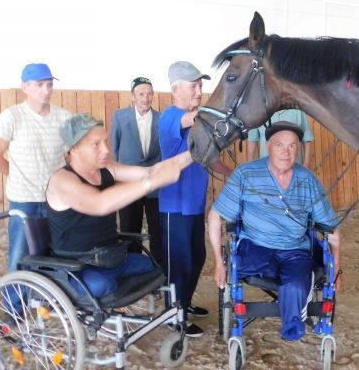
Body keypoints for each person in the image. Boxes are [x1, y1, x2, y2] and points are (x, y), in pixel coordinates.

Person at [208, 121, 342, 341]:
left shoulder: (308, 180)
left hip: (295, 251)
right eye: (279, 145)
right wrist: (219, 262)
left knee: (297, 284)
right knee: (243, 265)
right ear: (267, 146)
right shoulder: (246, 174)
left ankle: (292, 325)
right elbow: (215, 216)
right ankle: (293, 311)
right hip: (256, 249)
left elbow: (332, 228)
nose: (286, 152)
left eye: (292, 147)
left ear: (298, 150)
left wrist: (337, 266)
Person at [46, 113, 192, 297]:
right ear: (74, 149)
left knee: (150, 266)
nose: (106, 150)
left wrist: (194, 153)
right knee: (102, 285)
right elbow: (99, 204)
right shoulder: (62, 180)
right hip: (77, 266)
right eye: (96, 144)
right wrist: (152, 183)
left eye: (105, 142)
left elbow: (150, 171)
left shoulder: (106, 169)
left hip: (110, 258)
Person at [159, 61, 232, 337]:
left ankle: (184, 304)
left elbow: (208, 158)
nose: (199, 91)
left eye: (201, 85)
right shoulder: (170, 117)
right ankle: (172, 314)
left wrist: (232, 174)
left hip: (194, 204)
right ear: (176, 89)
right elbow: (192, 118)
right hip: (174, 205)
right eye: (194, 86)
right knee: (179, 261)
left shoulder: (197, 120)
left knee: (196, 257)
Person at [0, 63, 71, 272]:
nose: (46, 90)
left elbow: (71, 156)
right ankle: (16, 303)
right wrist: (19, 177)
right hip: (23, 198)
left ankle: (49, 301)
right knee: (21, 254)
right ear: (25, 87)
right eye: (40, 85)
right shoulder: (11, 116)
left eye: (49, 84)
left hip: (56, 198)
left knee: (57, 253)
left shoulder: (64, 117)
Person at [111, 76, 162, 262]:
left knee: (157, 230)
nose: (145, 98)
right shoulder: (119, 116)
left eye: (149, 94)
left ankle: (157, 268)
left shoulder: (161, 118)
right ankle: (132, 265)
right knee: (129, 230)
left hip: (155, 186)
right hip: (128, 185)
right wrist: (116, 180)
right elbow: (114, 149)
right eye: (141, 94)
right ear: (133, 97)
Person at [247, 109, 314, 167]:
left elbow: (307, 139)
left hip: (295, 168)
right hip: (266, 169)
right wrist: (249, 164)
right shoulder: (258, 112)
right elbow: (252, 139)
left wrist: (306, 163)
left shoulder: (298, 111)